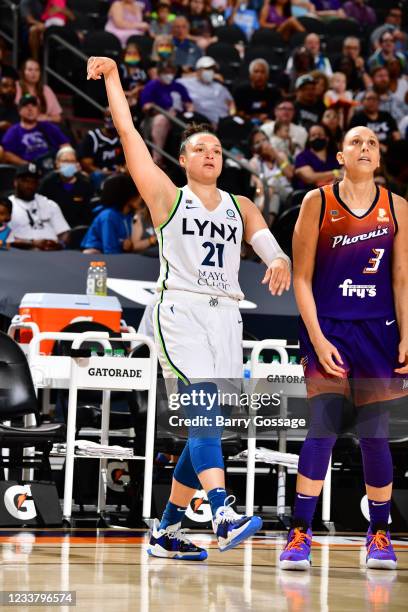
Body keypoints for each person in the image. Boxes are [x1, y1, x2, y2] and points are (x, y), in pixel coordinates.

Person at [86, 55, 291, 560]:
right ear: (183, 158)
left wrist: (280, 260)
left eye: (217, 149)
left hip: (227, 315)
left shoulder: (240, 205)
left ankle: (167, 530)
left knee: (209, 427)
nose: (210, 154)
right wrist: (114, 78)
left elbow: (269, 247)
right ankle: (222, 512)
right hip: (178, 309)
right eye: (200, 148)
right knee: (203, 410)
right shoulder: (165, 196)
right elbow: (128, 132)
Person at [280, 125, 408, 571]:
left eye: (372, 142)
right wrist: (317, 337)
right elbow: (300, 277)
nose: (365, 147)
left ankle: (379, 534)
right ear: (340, 155)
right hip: (329, 327)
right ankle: (299, 532)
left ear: (379, 155)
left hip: (380, 331)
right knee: (323, 429)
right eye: (356, 142)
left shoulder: (398, 206)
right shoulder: (317, 201)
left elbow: (401, 280)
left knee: (375, 436)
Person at [140, 61, 193, 166]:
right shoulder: (152, 85)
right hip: (156, 116)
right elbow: (145, 107)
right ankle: (157, 159)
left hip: (178, 117)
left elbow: (189, 103)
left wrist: (190, 110)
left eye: (171, 72)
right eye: (166, 72)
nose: (169, 74)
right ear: (160, 73)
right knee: (162, 120)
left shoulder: (178, 86)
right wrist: (159, 109)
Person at [9, 163, 70, 250]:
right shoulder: (6, 206)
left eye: (34, 182)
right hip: (21, 252)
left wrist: (60, 244)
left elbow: (64, 232)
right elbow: (3, 237)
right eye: (25, 181)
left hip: (52, 253)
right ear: (15, 182)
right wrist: (32, 243)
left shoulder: (50, 204)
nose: (29, 185)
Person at [1, 94, 69, 167]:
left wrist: (63, 161)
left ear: (38, 110)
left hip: (53, 165)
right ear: (19, 110)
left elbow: (65, 145)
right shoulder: (13, 131)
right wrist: (27, 165)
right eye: (26, 106)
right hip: (28, 170)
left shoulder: (48, 127)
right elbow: (7, 154)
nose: (30, 109)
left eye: (33, 106)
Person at [81, 173, 142, 254]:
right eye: (137, 194)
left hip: (122, 255)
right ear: (127, 196)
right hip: (98, 255)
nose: (141, 197)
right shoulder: (108, 216)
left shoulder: (131, 214)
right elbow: (110, 250)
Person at [39, 146, 94, 228]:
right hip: (53, 227)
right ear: (57, 163)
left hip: (78, 227)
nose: (68, 164)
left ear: (76, 164)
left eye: (72, 161)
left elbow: (88, 214)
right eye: (65, 161)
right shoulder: (48, 182)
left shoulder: (85, 183)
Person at [248, 128, 294, 222]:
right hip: (266, 195)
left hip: (286, 194)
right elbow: (257, 185)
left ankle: (254, 218)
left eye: (264, 140)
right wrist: (262, 185)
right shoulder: (254, 161)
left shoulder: (280, 155)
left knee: (272, 182)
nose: (262, 144)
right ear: (253, 148)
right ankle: (267, 229)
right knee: (274, 198)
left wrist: (275, 154)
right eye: (257, 142)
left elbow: (290, 174)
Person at [177, 56, 233, 126]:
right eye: (207, 69)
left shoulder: (220, 87)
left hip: (223, 122)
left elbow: (231, 103)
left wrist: (231, 114)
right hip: (200, 122)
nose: (211, 72)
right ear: (198, 70)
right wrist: (195, 74)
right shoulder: (185, 83)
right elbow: (175, 80)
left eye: (213, 69)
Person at [77, 108, 126, 188]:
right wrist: (107, 173)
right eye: (109, 116)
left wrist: (124, 169)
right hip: (101, 173)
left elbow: (130, 160)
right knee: (97, 175)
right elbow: (86, 164)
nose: (111, 120)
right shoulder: (92, 137)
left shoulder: (124, 136)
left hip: (119, 173)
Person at [233, 59, 281, 123]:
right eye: (256, 71)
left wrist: (267, 117)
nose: (259, 75)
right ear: (250, 75)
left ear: (267, 76)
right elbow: (237, 113)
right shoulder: (240, 91)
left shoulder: (275, 93)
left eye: (263, 72)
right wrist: (255, 117)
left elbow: (276, 113)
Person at [15, 58, 63, 123]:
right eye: (30, 69)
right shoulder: (15, 87)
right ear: (23, 72)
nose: (33, 73)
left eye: (37, 70)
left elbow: (58, 118)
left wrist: (47, 118)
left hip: (42, 128)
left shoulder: (46, 89)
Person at [294, 123, 340, 189]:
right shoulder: (302, 157)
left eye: (320, 135)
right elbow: (310, 177)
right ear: (309, 139)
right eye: (313, 135)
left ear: (327, 138)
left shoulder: (335, 156)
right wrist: (335, 173)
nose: (316, 137)